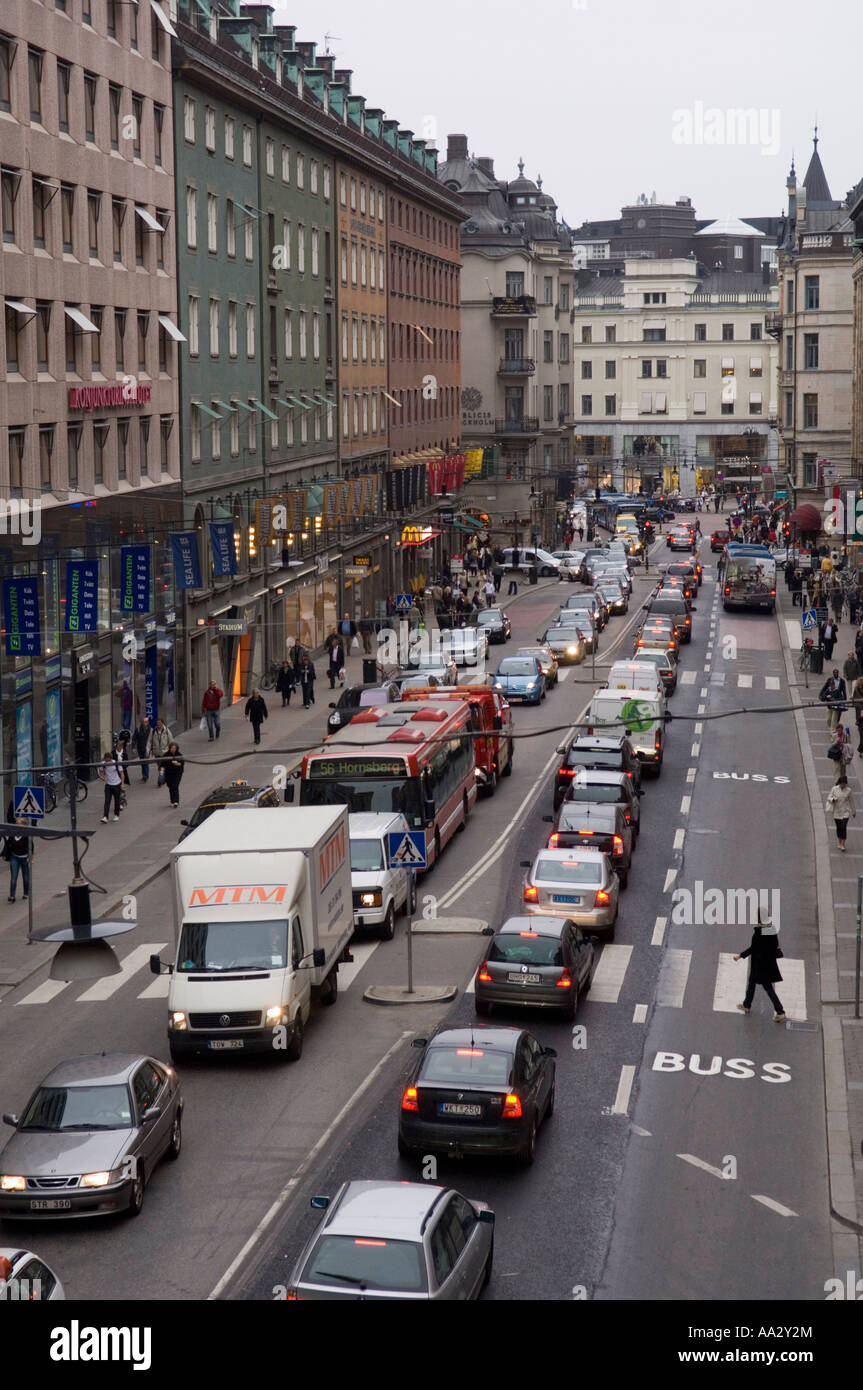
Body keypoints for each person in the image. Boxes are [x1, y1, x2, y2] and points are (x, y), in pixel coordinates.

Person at [734, 916, 786, 1020]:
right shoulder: (771, 929)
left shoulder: (760, 932)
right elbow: (775, 944)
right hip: (765, 962)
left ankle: (780, 1012)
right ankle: (746, 1005)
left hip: (760, 965)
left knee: (768, 988)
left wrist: (740, 956)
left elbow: (753, 948)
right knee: (751, 982)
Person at [826, 773, 856, 852]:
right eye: (842, 784)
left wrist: (854, 811)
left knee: (843, 827)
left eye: (844, 784)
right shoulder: (834, 789)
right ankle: (839, 842)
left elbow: (851, 801)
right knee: (839, 828)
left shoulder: (849, 790)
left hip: (845, 811)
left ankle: (843, 844)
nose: (843, 785)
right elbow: (829, 797)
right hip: (836, 811)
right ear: (839, 783)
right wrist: (833, 799)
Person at [3, 821, 31, 903]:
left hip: (24, 858)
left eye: (20, 825)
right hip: (14, 857)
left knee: (25, 877)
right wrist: (5, 854)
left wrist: (30, 857)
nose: (18, 826)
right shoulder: (12, 835)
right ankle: (12, 896)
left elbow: (31, 846)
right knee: (13, 878)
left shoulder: (26, 835)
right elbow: (7, 845)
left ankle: (26, 893)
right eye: (17, 824)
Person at [819, 667, 847, 734]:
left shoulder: (842, 681)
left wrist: (844, 700)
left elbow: (843, 691)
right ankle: (833, 727)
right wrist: (822, 695)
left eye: (836, 672)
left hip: (837, 702)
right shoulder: (829, 682)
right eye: (834, 672)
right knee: (829, 719)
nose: (835, 674)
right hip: (830, 705)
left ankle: (833, 730)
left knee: (835, 718)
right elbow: (824, 688)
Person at [98, 750, 123, 822]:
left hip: (117, 784)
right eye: (106, 760)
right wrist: (103, 777)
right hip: (108, 785)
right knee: (107, 801)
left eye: (108, 760)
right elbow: (100, 771)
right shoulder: (103, 764)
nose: (107, 762)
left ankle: (116, 815)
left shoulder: (116, 763)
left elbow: (122, 773)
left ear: (111, 759)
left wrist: (123, 784)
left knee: (117, 800)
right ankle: (105, 817)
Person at [161, 742, 184, 808]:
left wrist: (177, 763)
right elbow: (162, 764)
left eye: (174, 748)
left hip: (177, 773)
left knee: (175, 785)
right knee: (170, 786)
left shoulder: (179, 755)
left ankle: (176, 801)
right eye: (172, 748)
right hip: (168, 773)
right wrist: (161, 771)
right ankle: (172, 800)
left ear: (177, 748)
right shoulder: (166, 755)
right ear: (170, 748)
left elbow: (182, 764)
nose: (173, 749)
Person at [132, 716, 153, 782]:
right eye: (144, 722)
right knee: (142, 762)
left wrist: (151, 750)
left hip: (147, 749)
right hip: (140, 748)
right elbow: (134, 739)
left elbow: (152, 741)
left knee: (145, 762)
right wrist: (133, 747)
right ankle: (144, 775)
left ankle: (145, 776)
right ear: (142, 722)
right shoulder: (138, 729)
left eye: (146, 722)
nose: (145, 723)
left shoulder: (151, 730)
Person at [151, 717, 171, 785]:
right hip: (157, 753)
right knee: (159, 766)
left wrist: (172, 751)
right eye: (157, 723)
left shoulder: (167, 731)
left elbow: (171, 741)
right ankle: (163, 777)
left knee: (162, 766)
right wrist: (148, 751)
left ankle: (160, 780)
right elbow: (149, 742)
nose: (158, 724)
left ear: (162, 723)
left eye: (160, 723)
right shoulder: (153, 731)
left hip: (165, 752)